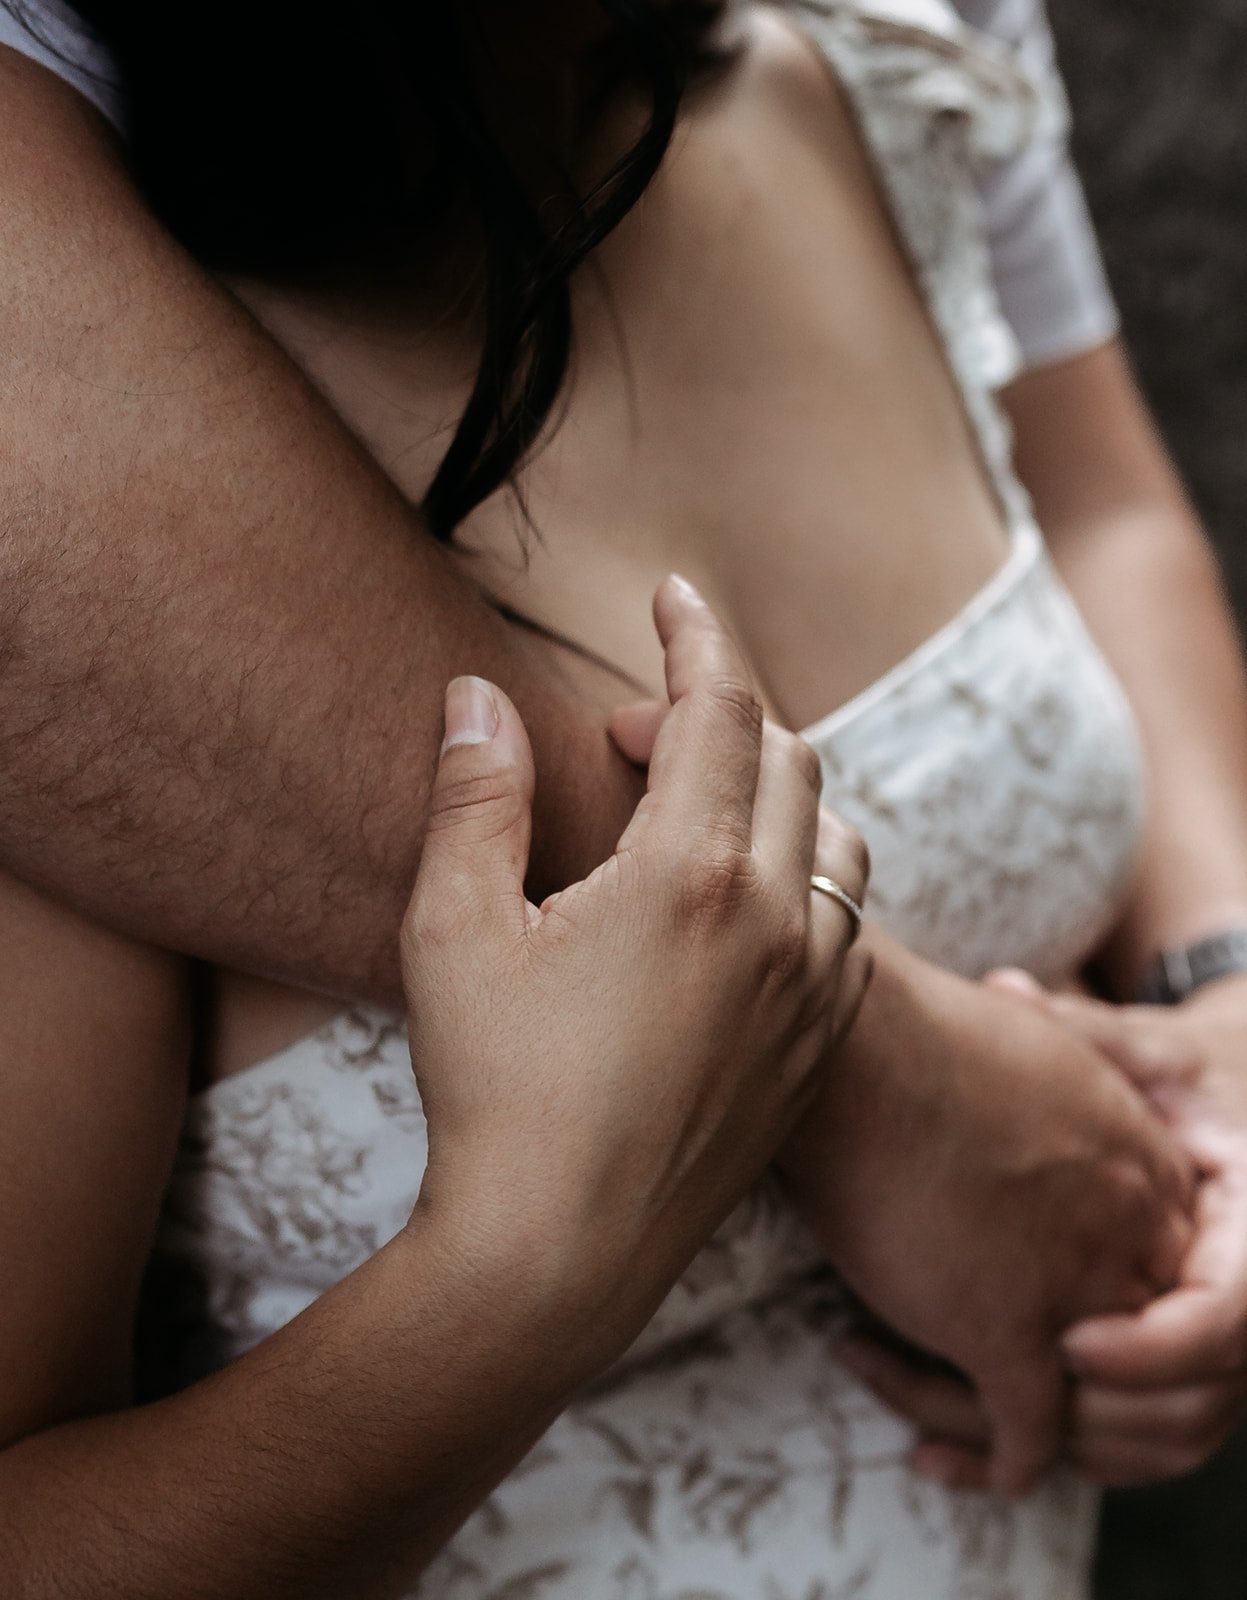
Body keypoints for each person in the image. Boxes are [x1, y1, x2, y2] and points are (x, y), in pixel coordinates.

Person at [0, 0, 1244, 1595]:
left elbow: (1098, 499)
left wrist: (1224, 1016)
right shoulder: (93, 573)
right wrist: (527, 1279)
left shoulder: (880, 68)